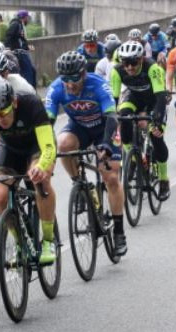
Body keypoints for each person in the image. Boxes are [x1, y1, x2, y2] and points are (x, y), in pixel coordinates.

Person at [46, 51, 127, 256]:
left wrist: (107, 145)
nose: (70, 84)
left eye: (74, 78)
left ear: (83, 73)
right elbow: (47, 124)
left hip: (104, 128)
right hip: (79, 127)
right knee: (63, 144)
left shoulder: (98, 85)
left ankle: (119, 231)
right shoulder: (56, 88)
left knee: (110, 176)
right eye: (66, 79)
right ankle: (78, 183)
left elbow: (111, 116)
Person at [0, 75, 57, 263]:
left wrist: (42, 166)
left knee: (40, 180)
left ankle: (48, 240)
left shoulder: (31, 103)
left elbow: (48, 147)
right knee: (0, 196)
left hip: (37, 147)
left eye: (3, 113)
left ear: (15, 102)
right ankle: (20, 243)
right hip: (10, 149)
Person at [110, 41, 171, 201]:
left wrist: (157, 120)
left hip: (154, 101)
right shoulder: (116, 71)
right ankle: (134, 159)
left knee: (156, 136)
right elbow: (113, 100)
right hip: (134, 98)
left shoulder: (153, 68)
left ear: (142, 59)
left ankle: (164, 180)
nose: (129, 67)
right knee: (123, 116)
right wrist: (111, 121)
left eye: (133, 62)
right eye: (126, 63)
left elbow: (160, 97)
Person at [5, 9, 37, 88]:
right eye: (27, 18)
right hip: (18, 53)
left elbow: (20, 40)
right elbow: (9, 35)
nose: (28, 20)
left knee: (32, 71)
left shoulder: (20, 24)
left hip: (21, 52)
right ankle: (29, 90)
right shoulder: (16, 24)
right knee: (28, 72)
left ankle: (30, 90)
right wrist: (7, 48)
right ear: (24, 17)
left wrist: (27, 47)